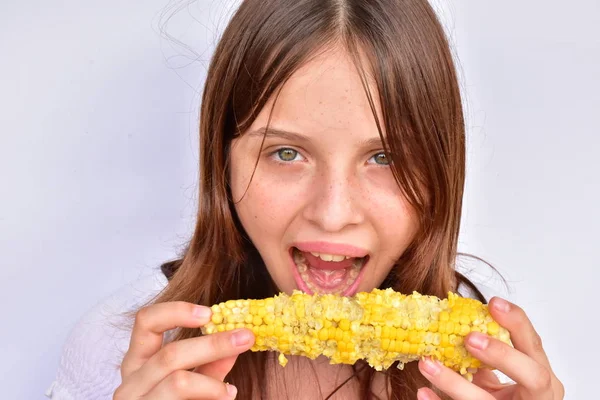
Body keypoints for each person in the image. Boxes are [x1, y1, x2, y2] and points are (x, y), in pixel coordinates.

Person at [47, 0, 564, 399]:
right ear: (221, 161)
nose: (333, 213)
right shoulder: (118, 353)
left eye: (384, 158)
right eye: (287, 153)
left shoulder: (481, 374)